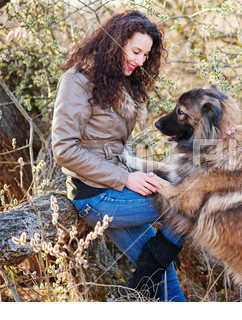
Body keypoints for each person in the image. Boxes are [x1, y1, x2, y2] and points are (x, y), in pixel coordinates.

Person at [51, 9, 186, 302]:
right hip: (96, 196)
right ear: (115, 42)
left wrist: (159, 170)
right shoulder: (77, 81)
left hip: (118, 189)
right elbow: (64, 149)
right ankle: (137, 288)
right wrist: (126, 178)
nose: (139, 61)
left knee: (162, 274)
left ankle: (141, 286)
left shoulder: (119, 82)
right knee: (192, 205)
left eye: (145, 56)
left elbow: (116, 149)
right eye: (136, 51)